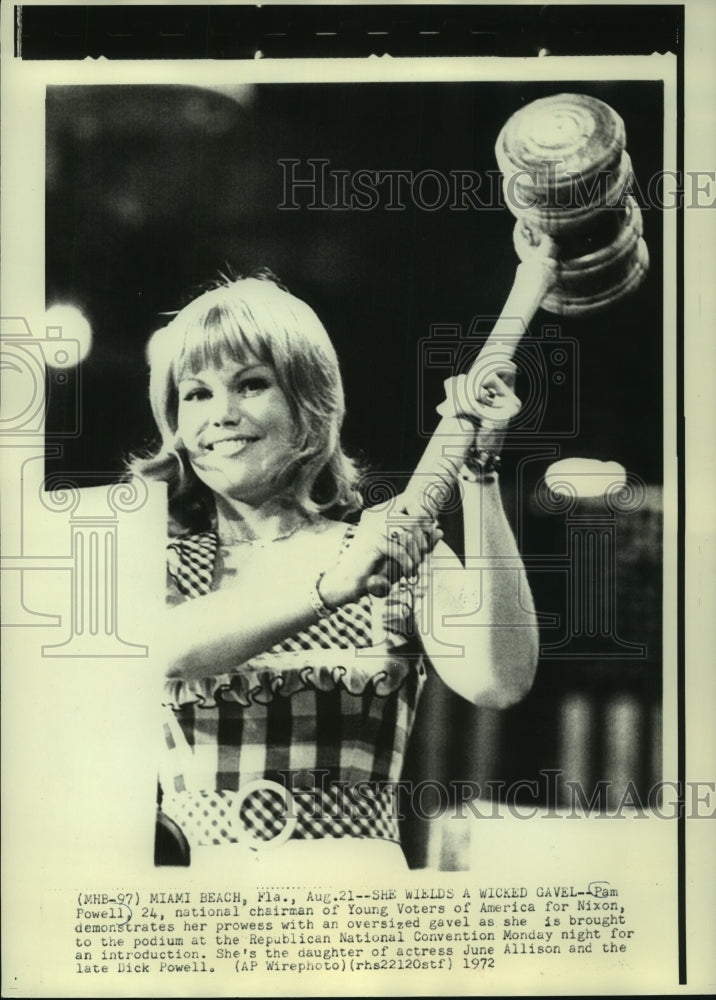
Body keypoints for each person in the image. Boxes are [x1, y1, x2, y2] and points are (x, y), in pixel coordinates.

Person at [132, 269, 539, 871]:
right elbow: (160, 651)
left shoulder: (390, 551)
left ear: (308, 402)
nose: (220, 414)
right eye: (196, 394)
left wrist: (479, 473)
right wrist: (328, 586)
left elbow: (499, 679)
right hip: (202, 913)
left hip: (355, 916)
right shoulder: (148, 561)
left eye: (250, 384)